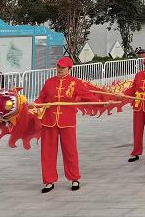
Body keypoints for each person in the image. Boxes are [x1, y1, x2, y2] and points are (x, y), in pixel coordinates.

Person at [32, 57, 100, 193]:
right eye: (58, 67)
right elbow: (42, 98)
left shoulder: (75, 83)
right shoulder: (49, 82)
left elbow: (88, 96)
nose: (60, 69)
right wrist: (35, 104)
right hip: (49, 120)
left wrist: (102, 103)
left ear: (69, 69)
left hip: (67, 121)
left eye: (63, 67)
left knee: (70, 151)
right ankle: (49, 181)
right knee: (47, 152)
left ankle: (74, 178)